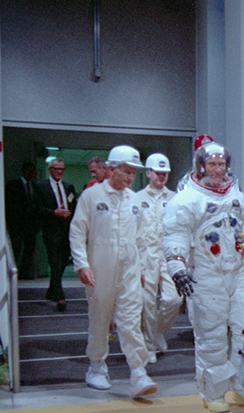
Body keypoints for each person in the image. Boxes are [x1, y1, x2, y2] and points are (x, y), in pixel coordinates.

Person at [163, 142, 244, 413]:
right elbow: (175, 233)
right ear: (201, 167)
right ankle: (213, 392)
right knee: (211, 335)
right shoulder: (187, 200)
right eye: (211, 164)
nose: (217, 169)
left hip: (240, 270)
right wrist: (177, 267)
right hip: (206, 273)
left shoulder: (237, 197)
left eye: (221, 164)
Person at [69, 145, 159, 398]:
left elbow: (140, 238)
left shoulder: (135, 200)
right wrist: (82, 264)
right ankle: (97, 366)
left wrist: (140, 267)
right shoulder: (92, 196)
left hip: (129, 270)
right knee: (100, 318)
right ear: (111, 169)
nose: (131, 178)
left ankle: (138, 371)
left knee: (131, 320)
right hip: (100, 268)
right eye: (126, 172)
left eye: (133, 173)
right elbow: (77, 232)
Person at [135, 153, 183, 365]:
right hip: (146, 255)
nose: (162, 176)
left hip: (169, 254)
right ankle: (149, 345)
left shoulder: (175, 198)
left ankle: (156, 331)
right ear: (148, 173)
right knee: (146, 302)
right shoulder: (137, 198)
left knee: (174, 298)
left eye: (165, 173)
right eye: (158, 172)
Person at [33, 158, 77, 311]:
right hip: (51, 229)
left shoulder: (68, 187)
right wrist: (54, 212)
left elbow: (74, 205)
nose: (59, 172)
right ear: (50, 169)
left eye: (62, 169)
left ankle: (52, 289)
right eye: (56, 169)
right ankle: (59, 296)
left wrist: (69, 214)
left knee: (63, 260)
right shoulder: (41, 186)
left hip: (66, 230)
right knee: (54, 261)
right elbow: (35, 207)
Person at [5, 161, 39, 280]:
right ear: (23, 171)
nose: (31, 174)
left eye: (32, 171)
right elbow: (9, 205)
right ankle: (11, 272)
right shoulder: (13, 186)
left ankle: (24, 272)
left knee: (29, 249)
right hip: (17, 223)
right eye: (29, 171)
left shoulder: (36, 186)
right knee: (16, 248)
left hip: (31, 224)